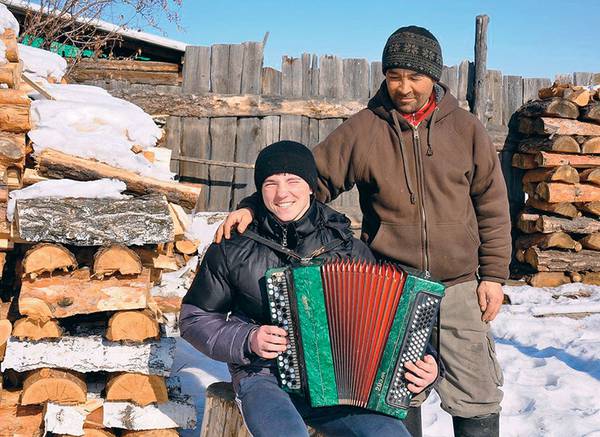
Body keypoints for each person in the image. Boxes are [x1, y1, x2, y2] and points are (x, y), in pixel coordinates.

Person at [216, 26, 511, 437]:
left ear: (434, 76)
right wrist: (252, 205)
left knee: (476, 394)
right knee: (394, 394)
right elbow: (306, 181)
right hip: (392, 286)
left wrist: (493, 275)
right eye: (394, 76)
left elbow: (492, 205)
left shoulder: (466, 129)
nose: (404, 87)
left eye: (414, 76)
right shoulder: (364, 130)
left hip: (460, 285)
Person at [180, 141, 439, 437]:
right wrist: (248, 338)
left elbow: (393, 323)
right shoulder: (234, 246)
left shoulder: (347, 248)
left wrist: (427, 365)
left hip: (336, 385)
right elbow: (194, 318)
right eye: (270, 183)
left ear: (311, 187)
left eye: (293, 181)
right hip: (263, 376)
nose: (282, 193)